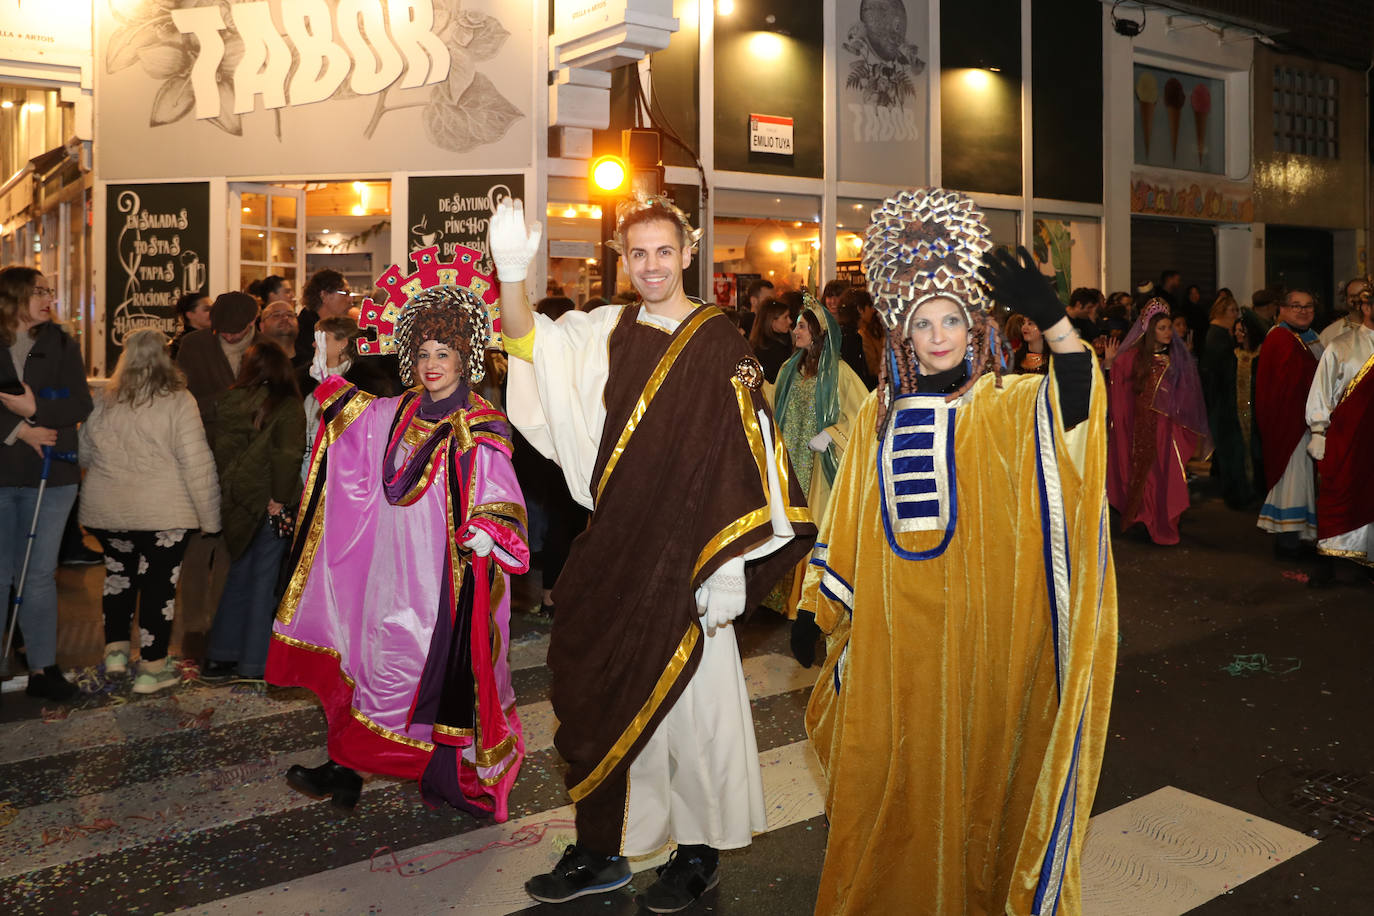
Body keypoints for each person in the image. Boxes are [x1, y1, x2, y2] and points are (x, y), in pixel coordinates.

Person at [797, 189, 1116, 915]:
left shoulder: (1010, 403)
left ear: (974, 329)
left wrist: (1058, 318)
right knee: (890, 790)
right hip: (894, 655)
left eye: (951, 321)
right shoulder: (880, 413)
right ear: (902, 336)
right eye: (922, 324)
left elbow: (1076, 405)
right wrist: (817, 610)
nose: (938, 336)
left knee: (982, 798)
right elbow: (849, 520)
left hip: (986, 654)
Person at [495, 194, 815, 912]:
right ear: (622, 257)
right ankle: (602, 849)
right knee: (600, 697)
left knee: (692, 714)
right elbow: (525, 347)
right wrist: (510, 271)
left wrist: (733, 564)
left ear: (688, 252)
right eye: (636, 253)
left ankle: (695, 853)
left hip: (691, 559)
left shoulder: (718, 340)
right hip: (615, 548)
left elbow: (753, 452)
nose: (650, 266)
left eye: (663, 251)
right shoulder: (603, 331)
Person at [268, 264, 529, 818]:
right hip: (389, 569)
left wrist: (487, 529)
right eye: (424, 355)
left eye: (443, 354)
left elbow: (499, 490)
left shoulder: (479, 421)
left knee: (419, 677)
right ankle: (345, 769)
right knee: (372, 665)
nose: (432, 366)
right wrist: (330, 380)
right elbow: (359, 421)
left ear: (464, 358)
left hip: (441, 578)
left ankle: (457, 776)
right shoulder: (403, 407)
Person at [78, 329, 220, 693]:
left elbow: (84, 454)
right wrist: (210, 518)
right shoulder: (178, 399)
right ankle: (152, 668)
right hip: (163, 514)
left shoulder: (105, 398)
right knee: (159, 589)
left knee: (118, 579)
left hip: (109, 512)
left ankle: (115, 654)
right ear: (165, 357)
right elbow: (196, 462)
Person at [0, 266, 93, 701]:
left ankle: (43, 667)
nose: (48, 298)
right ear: (13, 296)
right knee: (1, 575)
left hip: (52, 478)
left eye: (48, 291)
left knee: (38, 575)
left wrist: (35, 411)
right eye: (38, 291)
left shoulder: (61, 343)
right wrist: (20, 430)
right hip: (3, 474)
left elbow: (81, 402)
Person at [202, 341, 305, 681]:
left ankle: (221, 654)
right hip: (270, 501)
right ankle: (254, 662)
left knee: (238, 574)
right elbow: (288, 456)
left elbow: (221, 452)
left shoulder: (229, 401)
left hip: (235, 500)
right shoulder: (288, 405)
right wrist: (281, 496)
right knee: (264, 579)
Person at [764, 298, 867, 633]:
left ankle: (809, 604)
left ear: (819, 334)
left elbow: (862, 416)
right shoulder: (788, 369)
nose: (796, 331)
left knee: (815, 527)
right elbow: (771, 402)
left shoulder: (840, 373)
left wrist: (832, 433)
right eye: (796, 325)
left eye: (802, 326)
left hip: (820, 469)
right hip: (790, 464)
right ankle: (782, 599)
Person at [1107, 301, 1210, 544]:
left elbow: (1187, 395)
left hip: (1167, 431)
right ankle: (1144, 518)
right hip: (1140, 429)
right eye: (1162, 327)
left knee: (1166, 475)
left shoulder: (1175, 359)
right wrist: (1110, 364)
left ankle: (1163, 520)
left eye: (1169, 328)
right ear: (1150, 329)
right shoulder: (1133, 359)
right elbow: (1120, 390)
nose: (1168, 332)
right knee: (1145, 475)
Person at [1305, 281, 1373, 574]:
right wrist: (1318, 430)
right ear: (1367, 307)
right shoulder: (1342, 345)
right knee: (1343, 493)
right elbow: (1321, 388)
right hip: (1349, 439)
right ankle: (1332, 562)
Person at [1255, 290, 1323, 558]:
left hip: (1305, 422)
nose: (1303, 311)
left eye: (1308, 306)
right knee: (1292, 481)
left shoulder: (1309, 337)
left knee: (1304, 482)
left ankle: (1299, 538)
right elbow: (1285, 386)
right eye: (1296, 306)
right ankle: (1288, 543)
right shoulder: (1280, 338)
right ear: (1281, 309)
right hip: (1289, 425)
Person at [176, 291, 259, 430]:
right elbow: (180, 394)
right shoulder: (193, 344)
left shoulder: (269, 348)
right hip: (207, 436)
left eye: (235, 330)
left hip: (255, 439)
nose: (228, 336)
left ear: (252, 320)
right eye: (222, 330)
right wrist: (218, 404)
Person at [1199, 291, 1251, 508]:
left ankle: (1236, 492)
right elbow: (1217, 372)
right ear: (1222, 311)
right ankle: (1235, 495)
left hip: (1223, 401)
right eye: (1232, 310)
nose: (1236, 314)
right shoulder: (1217, 336)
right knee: (1231, 450)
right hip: (1222, 402)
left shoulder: (1221, 335)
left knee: (1230, 450)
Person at [295, 269, 351, 360]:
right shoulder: (303, 332)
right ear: (324, 295)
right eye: (346, 293)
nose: (350, 300)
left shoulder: (341, 328)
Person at [748, 296, 794, 383]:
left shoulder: (758, 343)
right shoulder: (774, 349)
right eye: (785, 317)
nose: (790, 321)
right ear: (772, 321)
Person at [1318, 277, 1369, 347]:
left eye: (1364, 295)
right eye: (1353, 296)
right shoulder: (1330, 333)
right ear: (1346, 298)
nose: (1358, 299)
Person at [259, 298, 305, 367]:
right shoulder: (254, 362)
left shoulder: (311, 364)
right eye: (276, 315)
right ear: (262, 326)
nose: (285, 318)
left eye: (290, 315)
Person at [170, 291, 212, 359]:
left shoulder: (212, 339)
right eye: (207, 309)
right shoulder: (181, 345)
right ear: (190, 315)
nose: (213, 312)